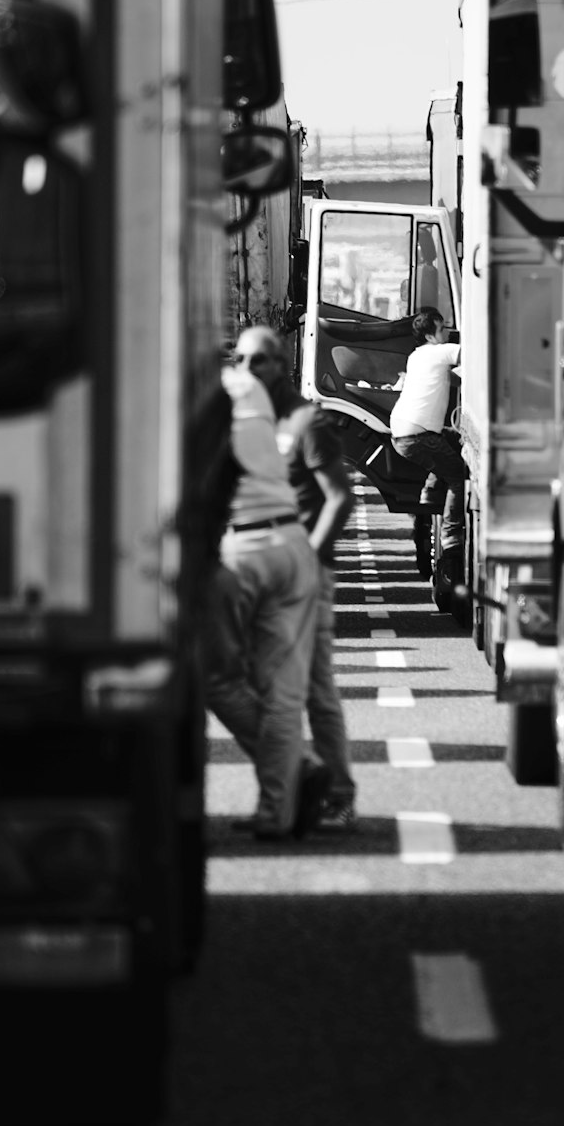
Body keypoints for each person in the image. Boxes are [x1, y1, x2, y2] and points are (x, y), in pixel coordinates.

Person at [236, 325, 359, 831]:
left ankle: (337, 793)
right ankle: (288, 794)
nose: (247, 371)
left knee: (314, 690)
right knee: (263, 689)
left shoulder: (306, 421)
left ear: (280, 364)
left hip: (306, 572)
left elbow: (339, 497)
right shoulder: (249, 422)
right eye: (240, 360)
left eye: (258, 361)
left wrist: (309, 559)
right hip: (266, 572)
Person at [204, 344, 329, 842]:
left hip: (244, 547)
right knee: (283, 693)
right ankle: (278, 811)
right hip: (291, 544)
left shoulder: (204, 398)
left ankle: (296, 769)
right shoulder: (251, 391)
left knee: (218, 677)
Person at [388, 306, 466, 567]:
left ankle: (428, 500)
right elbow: (473, 354)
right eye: (442, 328)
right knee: (457, 475)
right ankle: (451, 537)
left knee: (450, 444)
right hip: (418, 435)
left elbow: (447, 378)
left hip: (401, 433)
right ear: (431, 335)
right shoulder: (440, 352)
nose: (447, 332)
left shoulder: (417, 356)